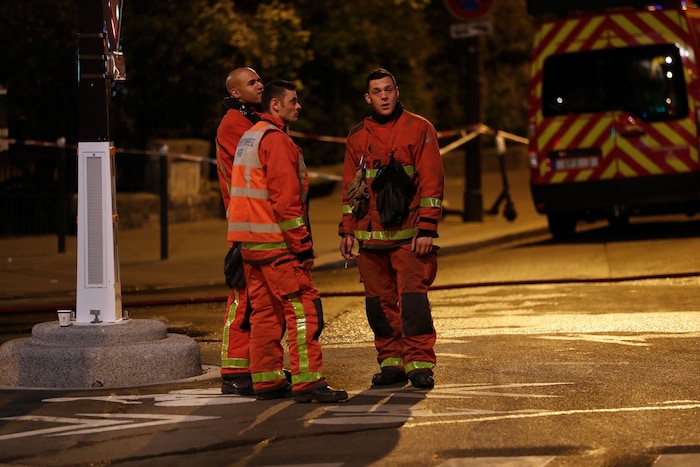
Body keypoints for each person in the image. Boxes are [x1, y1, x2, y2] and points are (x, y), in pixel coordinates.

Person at [228, 80, 348, 403]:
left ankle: (266, 380)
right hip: (278, 245)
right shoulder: (276, 142)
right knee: (302, 311)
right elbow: (287, 203)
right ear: (276, 106)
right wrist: (302, 246)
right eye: (293, 101)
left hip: (250, 246)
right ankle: (308, 382)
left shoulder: (249, 138)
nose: (299, 106)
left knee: (265, 315)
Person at [338, 68, 444, 389]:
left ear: (397, 92)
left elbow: (431, 181)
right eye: (377, 92)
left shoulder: (419, 128)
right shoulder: (358, 136)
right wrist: (346, 230)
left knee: (413, 304)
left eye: (389, 90)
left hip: (410, 237)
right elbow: (349, 189)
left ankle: (420, 364)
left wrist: (427, 228)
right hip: (370, 241)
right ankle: (392, 363)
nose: (384, 96)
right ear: (368, 98)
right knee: (378, 307)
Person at [214, 67, 264, 395]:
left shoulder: (250, 121)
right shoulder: (235, 125)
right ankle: (235, 370)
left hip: (258, 222)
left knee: (260, 299)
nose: (260, 85)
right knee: (243, 298)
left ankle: (258, 366)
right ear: (236, 93)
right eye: (252, 83)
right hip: (246, 223)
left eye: (259, 80)